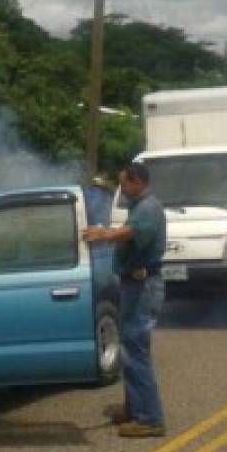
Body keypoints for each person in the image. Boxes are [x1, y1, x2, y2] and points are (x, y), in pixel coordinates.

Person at [82, 162, 167, 438]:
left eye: (125, 184)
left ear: (137, 182)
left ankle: (150, 418)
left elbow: (131, 233)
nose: (122, 189)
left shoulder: (149, 207)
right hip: (134, 284)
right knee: (130, 348)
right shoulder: (139, 206)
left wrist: (104, 234)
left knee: (136, 351)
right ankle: (135, 408)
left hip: (144, 286)